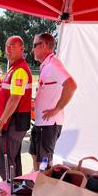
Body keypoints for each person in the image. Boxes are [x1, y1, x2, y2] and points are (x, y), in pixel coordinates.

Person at [30, 33, 77, 171]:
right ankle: (37, 183)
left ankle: (44, 187)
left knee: (44, 162)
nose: (32, 49)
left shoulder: (53, 65)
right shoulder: (46, 65)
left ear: (43, 45)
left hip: (49, 124)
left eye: (34, 45)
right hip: (41, 123)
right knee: (35, 155)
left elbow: (71, 85)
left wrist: (57, 109)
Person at [0, 36, 32, 180]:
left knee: (7, 160)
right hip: (12, 121)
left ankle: (9, 189)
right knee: (12, 159)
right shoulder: (13, 69)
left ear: (22, 49)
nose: (8, 48)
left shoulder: (19, 70)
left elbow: (14, 99)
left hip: (13, 122)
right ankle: (15, 188)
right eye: (6, 45)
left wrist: (0, 123)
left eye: (12, 45)